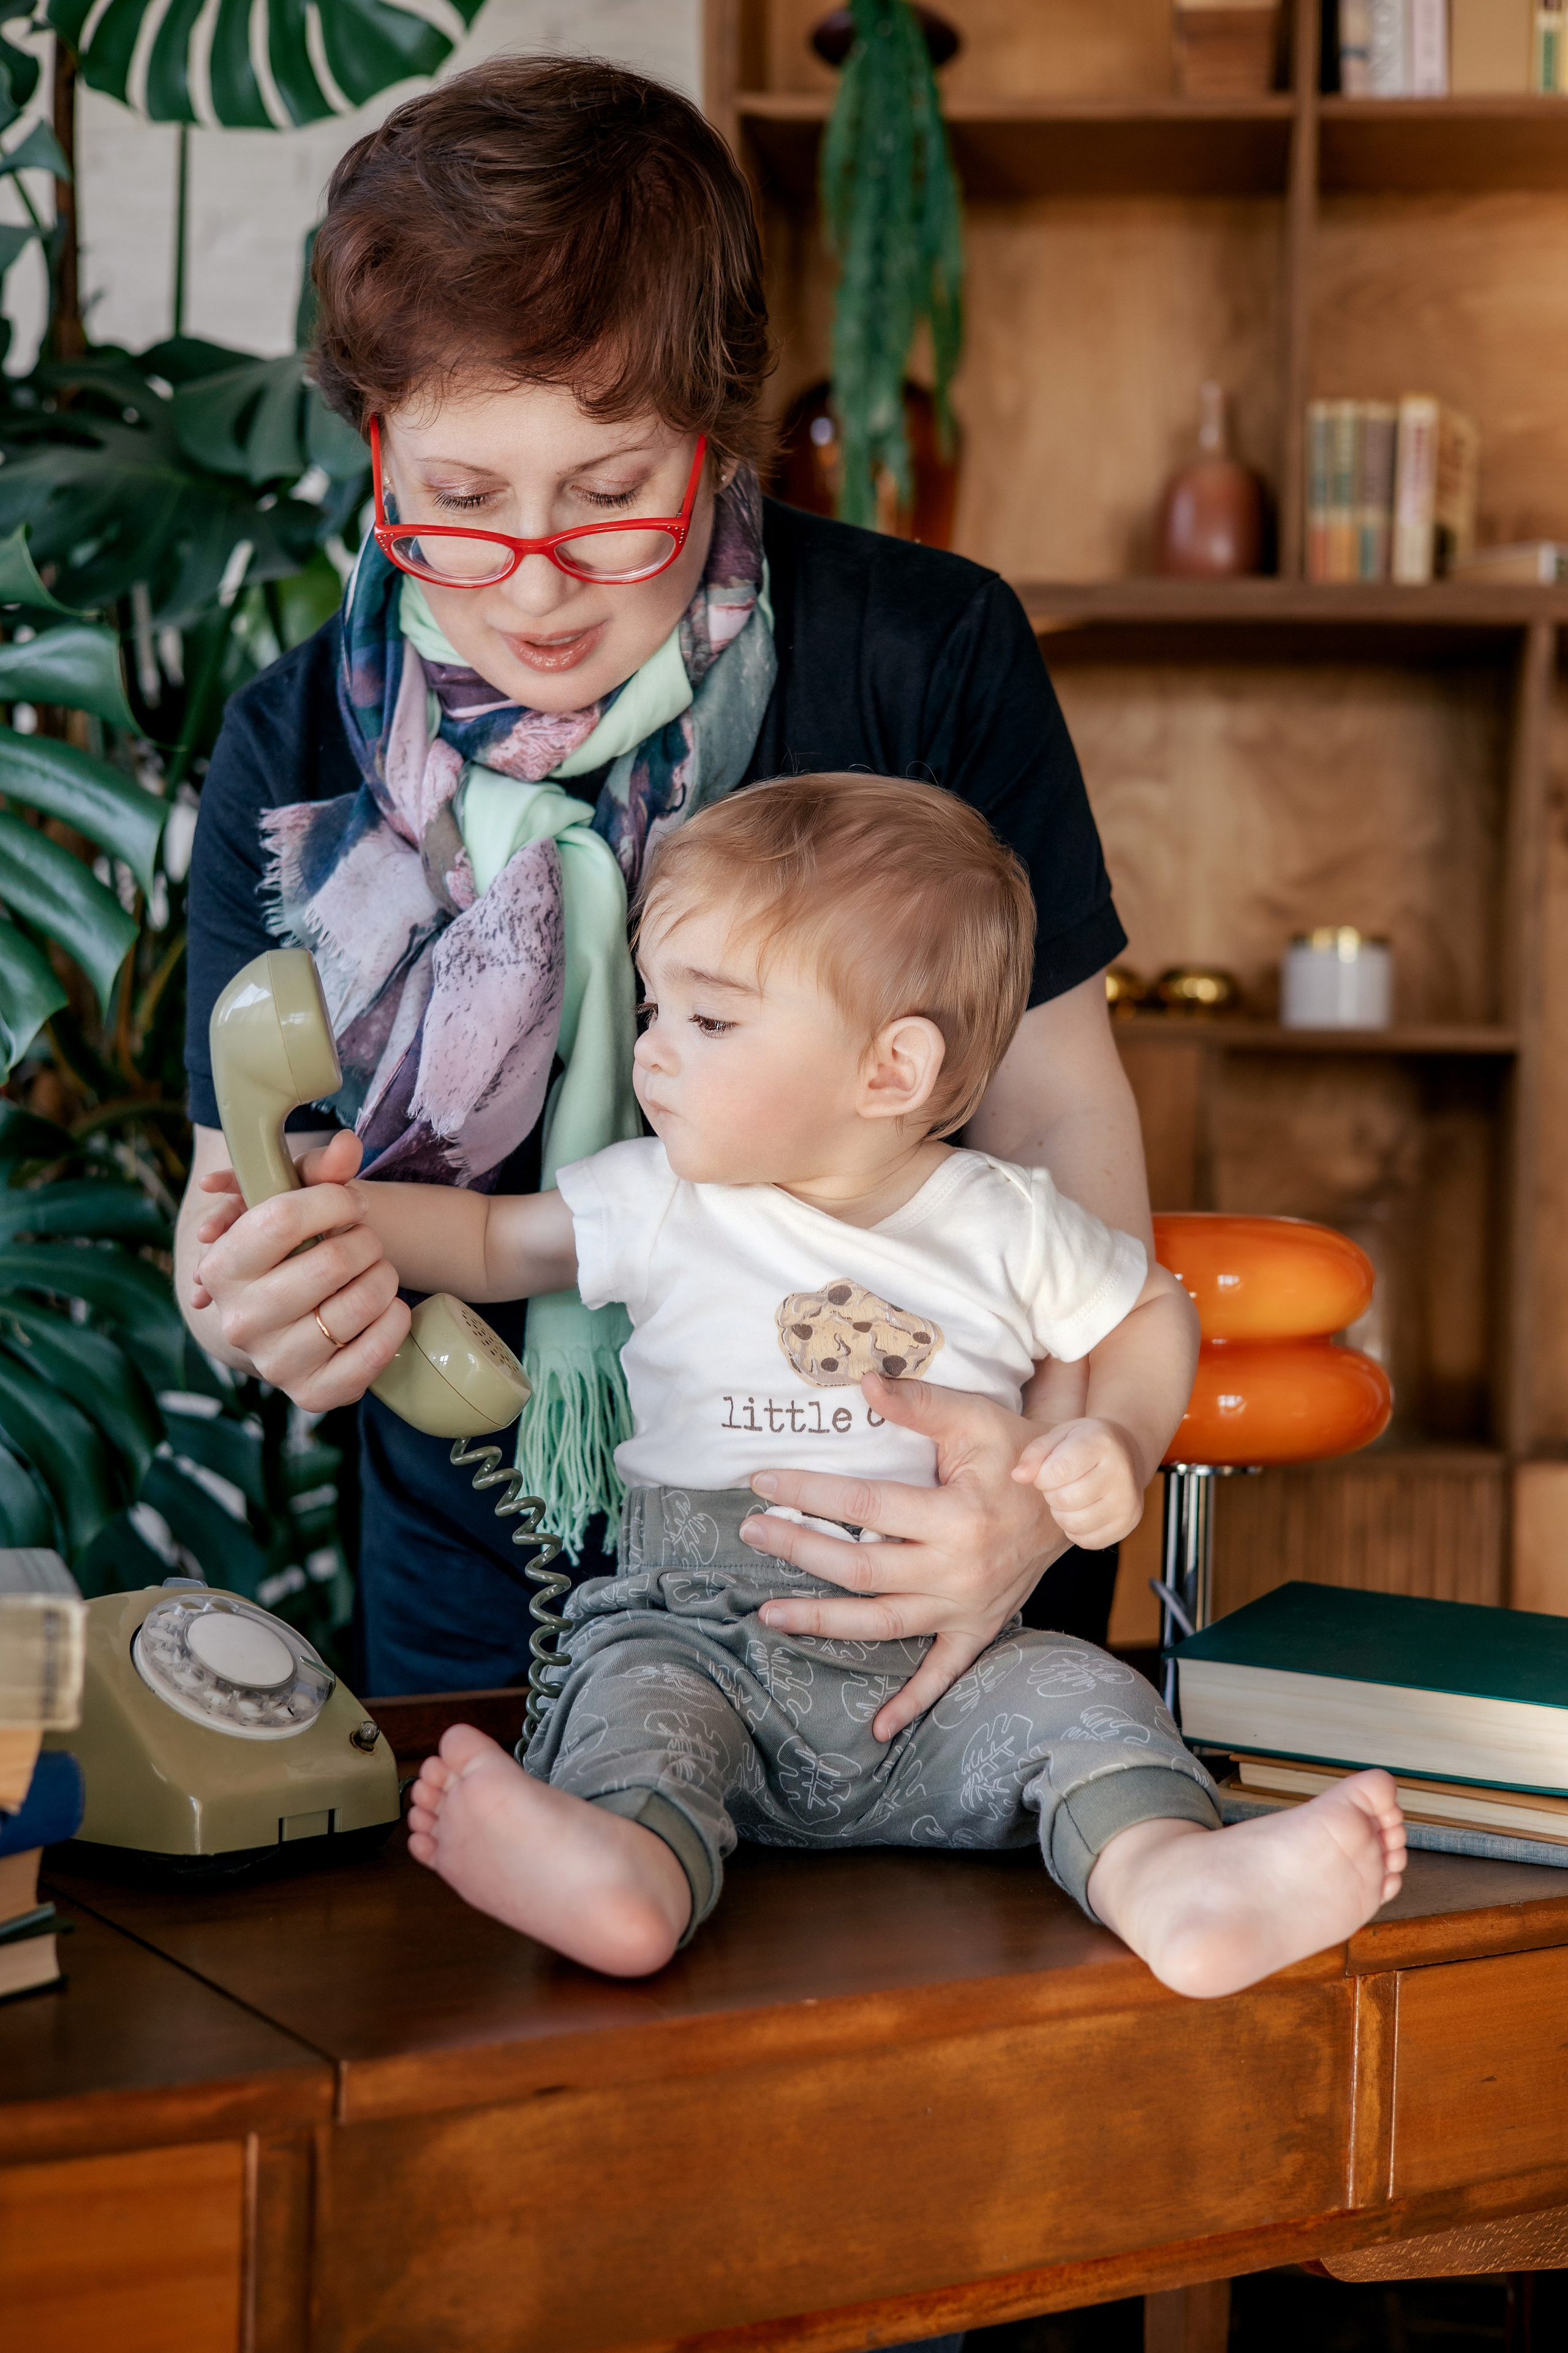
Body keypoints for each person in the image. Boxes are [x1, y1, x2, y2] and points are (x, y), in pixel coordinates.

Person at [179, 55, 1150, 1702]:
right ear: (375, 451)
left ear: (713, 428)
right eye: (462, 504)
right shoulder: (300, 757)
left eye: (614, 497)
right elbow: (236, 1198)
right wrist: (259, 1308)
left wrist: (1032, 1510)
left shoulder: (923, 655)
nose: (537, 590)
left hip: (921, 1538)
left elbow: (1058, 1118)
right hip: (486, 1559)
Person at [194, 775, 1407, 1992]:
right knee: (636, 1710)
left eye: (706, 1023)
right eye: (655, 1006)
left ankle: (1173, 1882)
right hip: (700, 1634)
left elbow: (1147, 1309)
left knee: (1084, 1699)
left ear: (889, 1068)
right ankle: (624, 1881)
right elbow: (488, 1241)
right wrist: (317, 1208)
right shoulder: (658, 1192)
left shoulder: (1000, 1220)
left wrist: (1115, 1439)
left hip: (945, 1662)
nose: (650, 1052)